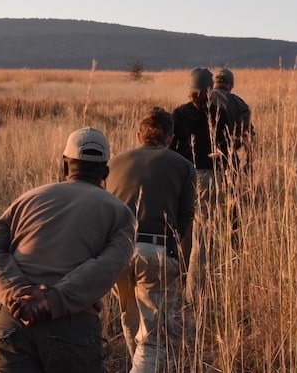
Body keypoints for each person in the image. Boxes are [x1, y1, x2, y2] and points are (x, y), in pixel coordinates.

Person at [0, 127, 136, 373]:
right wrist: (52, 300)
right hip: (70, 327)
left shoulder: (27, 198)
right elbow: (107, 267)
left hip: (9, 320)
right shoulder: (120, 213)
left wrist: (16, 292)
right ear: (105, 172)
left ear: (64, 165)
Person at [107, 107, 196, 372]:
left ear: (138, 135)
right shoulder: (184, 166)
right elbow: (185, 218)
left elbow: (104, 211)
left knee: (130, 321)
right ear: (170, 138)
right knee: (153, 339)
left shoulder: (113, 164)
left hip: (117, 253)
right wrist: (179, 260)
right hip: (157, 251)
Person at [170, 67, 235, 301]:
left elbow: (170, 148)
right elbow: (227, 149)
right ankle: (195, 294)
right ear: (210, 90)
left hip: (184, 178)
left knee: (183, 233)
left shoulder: (179, 114)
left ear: (190, 89)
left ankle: (176, 286)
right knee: (203, 238)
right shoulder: (219, 114)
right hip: (210, 177)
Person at [209, 68, 255, 177]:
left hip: (200, 158)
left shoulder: (202, 99)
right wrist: (249, 162)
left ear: (214, 83)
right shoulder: (240, 104)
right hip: (228, 158)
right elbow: (248, 137)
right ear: (231, 85)